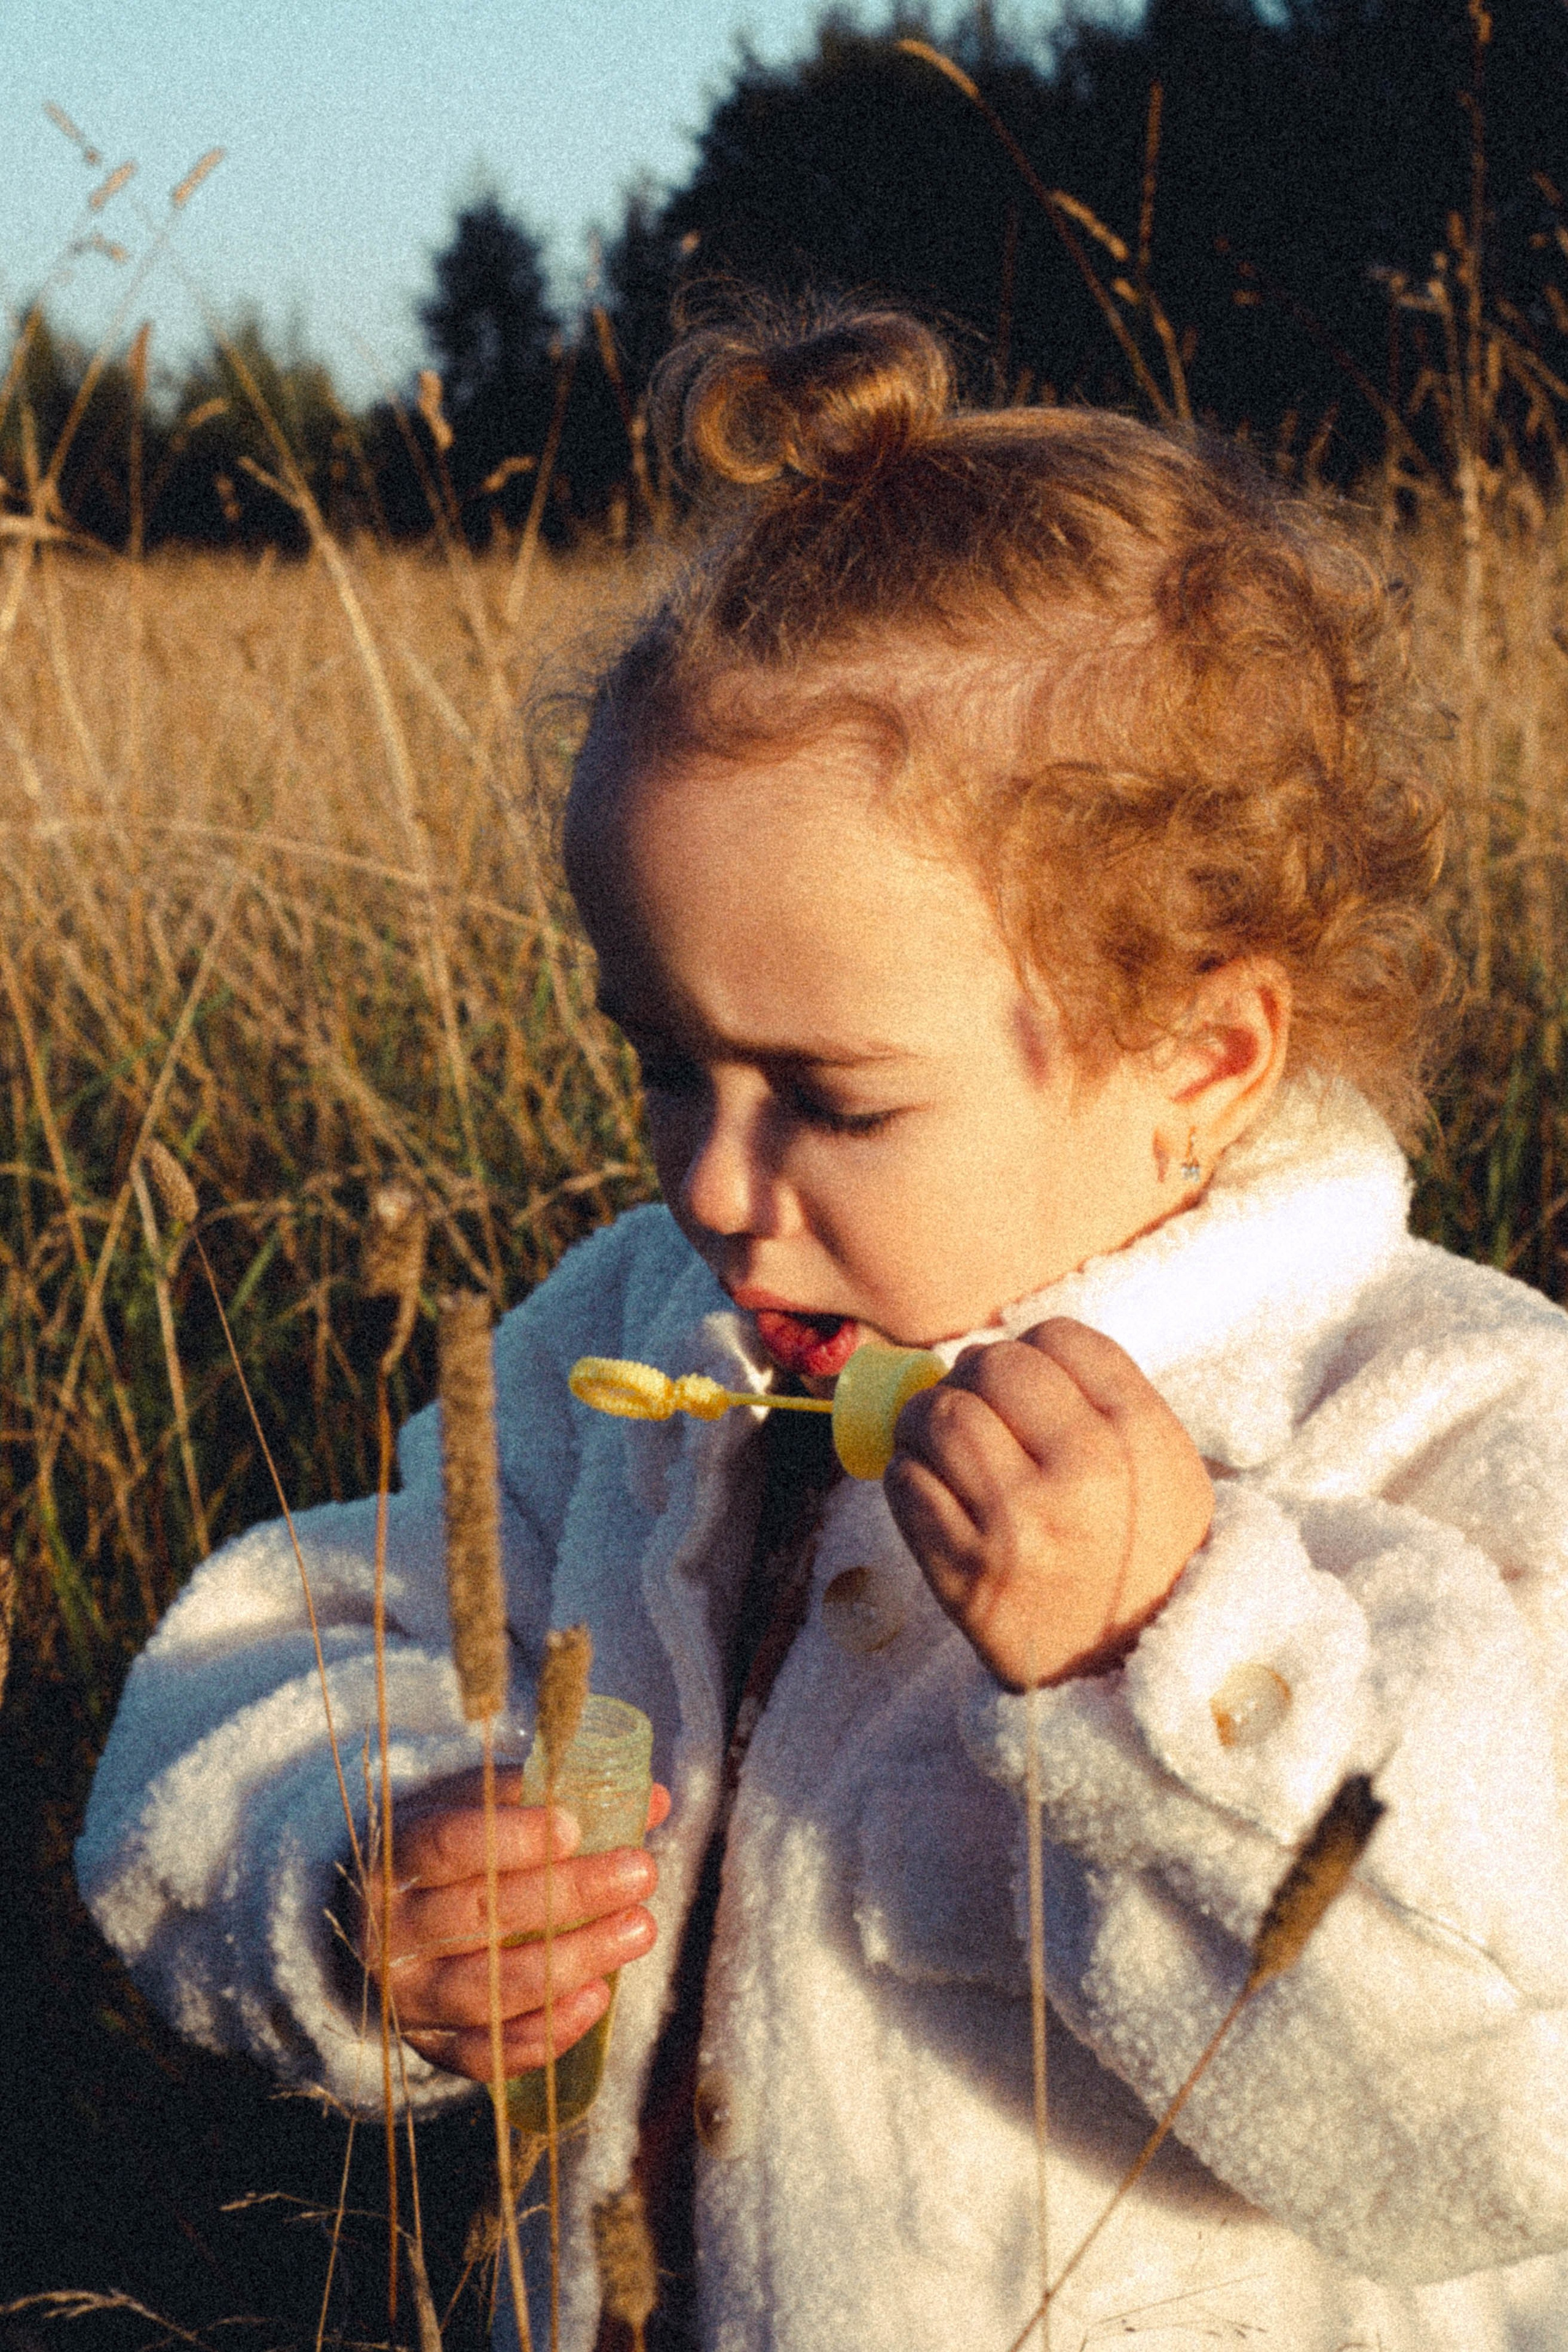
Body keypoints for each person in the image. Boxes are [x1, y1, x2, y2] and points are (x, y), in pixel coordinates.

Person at [78, 307, 1568, 2352]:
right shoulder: (632, 1338)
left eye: (832, 1099)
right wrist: (363, 1868)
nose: (707, 1178)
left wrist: (1175, 1660)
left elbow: (1505, 2128)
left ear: (1201, 1052)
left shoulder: (1439, 1423)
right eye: (667, 1065)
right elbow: (286, 1653)